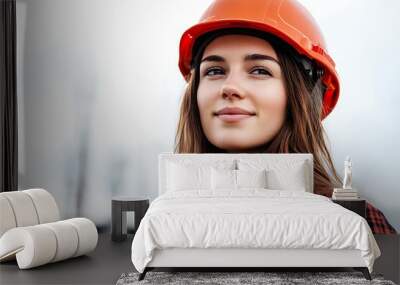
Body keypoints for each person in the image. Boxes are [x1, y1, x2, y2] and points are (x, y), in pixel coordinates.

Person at [173, 0, 396, 234]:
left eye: (260, 70)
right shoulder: (169, 218)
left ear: (300, 94)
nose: (230, 87)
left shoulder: (359, 221)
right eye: (214, 71)